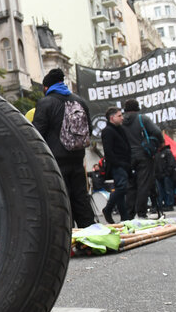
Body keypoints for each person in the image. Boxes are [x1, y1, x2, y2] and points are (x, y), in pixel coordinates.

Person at [32, 68, 95, 228]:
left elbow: (37, 133)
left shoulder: (45, 103)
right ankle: (89, 231)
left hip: (55, 159)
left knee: (62, 197)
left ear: (46, 87)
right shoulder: (80, 101)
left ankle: (68, 235)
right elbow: (90, 130)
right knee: (80, 196)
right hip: (77, 156)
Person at [121, 98, 163, 219]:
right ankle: (141, 212)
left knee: (131, 185)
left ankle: (129, 213)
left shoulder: (122, 121)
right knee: (143, 183)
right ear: (137, 107)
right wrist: (158, 143)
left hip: (127, 157)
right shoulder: (142, 119)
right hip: (143, 154)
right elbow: (157, 132)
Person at [100, 107, 130, 224]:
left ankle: (125, 216)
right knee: (122, 188)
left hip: (124, 164)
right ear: (112, 118)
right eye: (119, 116)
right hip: (117, 165)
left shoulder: (120, 129)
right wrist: (119, 163)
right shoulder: (108, 131)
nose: (122, 118)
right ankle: (108, 209)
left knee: (121, 190)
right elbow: (108, 151)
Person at [153, 143, 176, 212]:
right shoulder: (156, 153)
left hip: (166, 175)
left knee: (168, 190)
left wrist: (167, 173)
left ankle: (169, 205)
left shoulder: (167, 152)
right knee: (160, 191)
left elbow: (171, 163)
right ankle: (162, 205)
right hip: (158, 175)